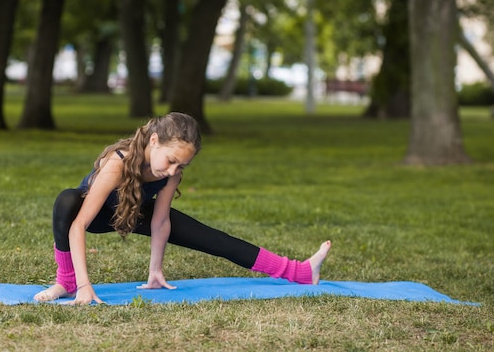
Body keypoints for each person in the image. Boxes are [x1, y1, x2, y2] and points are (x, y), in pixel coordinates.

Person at [34, 112, 331, 305]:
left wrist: (155, 270)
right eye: (171, 160)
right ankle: (67, 282)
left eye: (182, 165)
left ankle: (300, 271)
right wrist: (86, 286)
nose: (173, 169)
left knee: (214, 239)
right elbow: (78, 225)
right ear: (154, 140)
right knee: (66, 200)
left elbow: (160, 222)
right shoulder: (118, 164)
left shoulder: (170, 173)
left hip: (133, 211)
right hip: (94, 215)